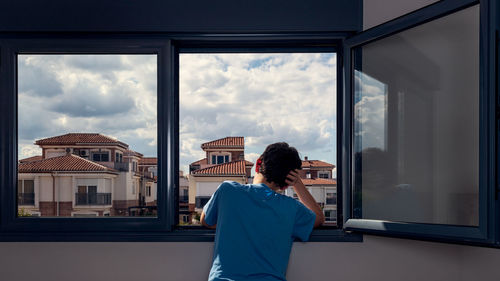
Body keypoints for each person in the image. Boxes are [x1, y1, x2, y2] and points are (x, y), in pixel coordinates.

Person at [200, 142, 325, 281]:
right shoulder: (290, 208)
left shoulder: (228, 190)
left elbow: (206, 220)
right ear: (285, 185)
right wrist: (297, 183)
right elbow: (319, 217)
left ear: (258, 164)